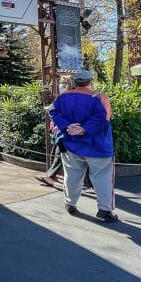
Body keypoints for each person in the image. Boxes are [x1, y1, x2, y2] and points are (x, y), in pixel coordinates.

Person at [49, 69, 118, 222]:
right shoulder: (99, 97)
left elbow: (53, 112)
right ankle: (104, 211)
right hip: (97, 146)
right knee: (102, 178)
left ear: (75, 82)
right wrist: (84, 129)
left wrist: (67, 127)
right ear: (90, 81)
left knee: (72, 175)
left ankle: (70, 203)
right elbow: (103, 118)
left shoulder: (62, 98)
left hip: (70, 144)